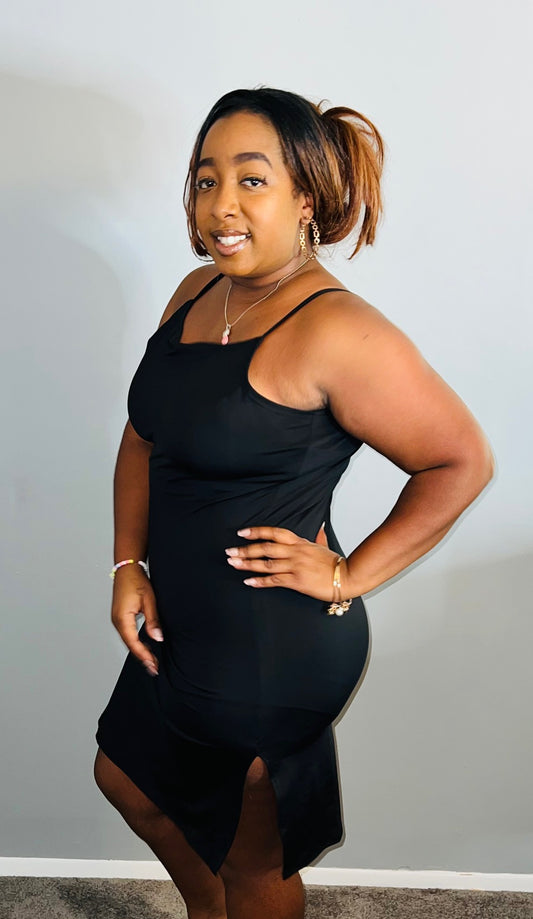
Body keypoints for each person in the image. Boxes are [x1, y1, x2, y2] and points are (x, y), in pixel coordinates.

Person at [93, 87, 494, 919]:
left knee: (252, 859)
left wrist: (348, 574)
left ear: (305, 198)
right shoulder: (195, 293)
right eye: (206, 180)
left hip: (269, 643)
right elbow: (143, 434)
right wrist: (128, 561)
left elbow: (459, 461)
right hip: (183, 617)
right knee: (126, 777)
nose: (221, 205)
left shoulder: (336, 330)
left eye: (251, 179)